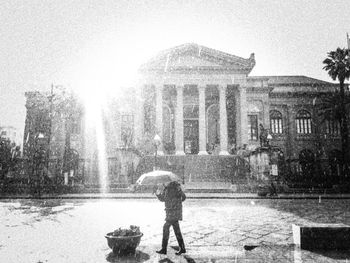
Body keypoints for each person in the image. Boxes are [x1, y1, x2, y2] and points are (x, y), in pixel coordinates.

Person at [155, 180, 186, 255]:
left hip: (172, 212)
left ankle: (164, 249)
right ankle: (182, 248)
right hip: (172, 212)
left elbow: (166, 199)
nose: (163, 183)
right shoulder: (170, 188)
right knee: (176, 230)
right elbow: (183, 197)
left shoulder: (172, 188)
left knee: (166, 228)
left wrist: (175, 203)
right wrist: (158, 194)